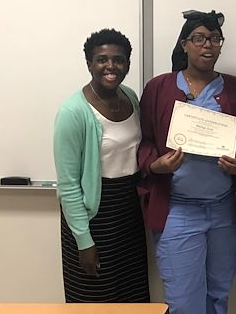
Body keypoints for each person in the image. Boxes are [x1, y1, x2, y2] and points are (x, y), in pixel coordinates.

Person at [137, 10, 236, 314]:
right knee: (184, 303)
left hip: (223, 210)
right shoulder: (159, 88)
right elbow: (144, 143)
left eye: (214, 39)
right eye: (199, 39)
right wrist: (156, 164)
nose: (208, 45)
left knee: (218, 297)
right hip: (177, 209)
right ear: (184, 44)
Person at [53, 28, 149, 303]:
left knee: (131, 297)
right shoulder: (73, 112)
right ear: (89, 64)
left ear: (127, 64)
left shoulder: (130, 97)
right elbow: (69, 186)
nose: (111, 66)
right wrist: (84, 241)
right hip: (94, 216)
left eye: (118, 59)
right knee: (94, 299)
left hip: (128, 212)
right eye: (102, 59)